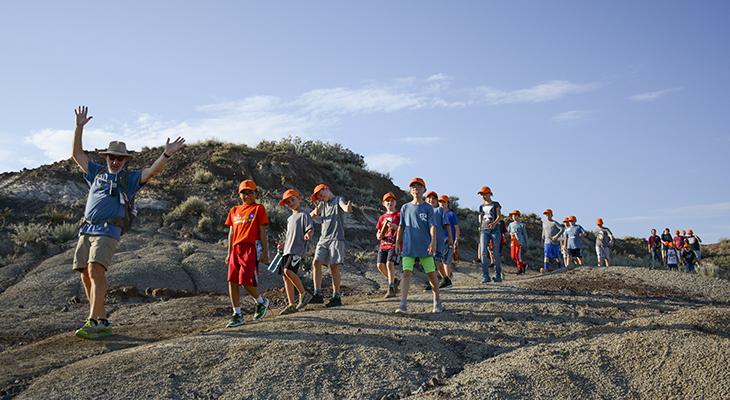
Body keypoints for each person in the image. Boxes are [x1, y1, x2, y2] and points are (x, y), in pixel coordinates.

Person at [70, 106, 185, 339]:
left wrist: (167, 154)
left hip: (107, 230)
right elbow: (77, 154)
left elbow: (152, 171)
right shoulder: (97, 173)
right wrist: (79, 127)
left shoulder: (129, 178)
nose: (115, 161)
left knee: (95, 269)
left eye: (120, 158)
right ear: (107, 158)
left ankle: (93, 321)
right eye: (112, 157)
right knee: (84, 272)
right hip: (87, 228)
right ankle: (100, 318)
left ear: (124, 160)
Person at [224, 180, 271, 327]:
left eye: (250, 192)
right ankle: (237, 314)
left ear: (255, 193)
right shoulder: (234, 210)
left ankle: (261, 302)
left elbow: (263, 232)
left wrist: (264, 251)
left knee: (244, 280)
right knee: (232, 280)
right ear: (239, 194)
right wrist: (229, 252)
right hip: (236, 249)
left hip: (250, 248)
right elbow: (231, 233)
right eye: (243, 193)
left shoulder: (258, 208)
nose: (247, 195)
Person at [395, 177, 443, 313]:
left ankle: (437, 301)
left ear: (424, 190)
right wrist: (398, 242)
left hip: (425, 246)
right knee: (406, 273)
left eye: (419, 186)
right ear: (410, 190)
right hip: (408, 247)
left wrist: (433, 242)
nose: (416, 188)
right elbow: (401, 226)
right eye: (413, 186)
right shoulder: (405, 207)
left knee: (431, 274)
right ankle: (403, 304)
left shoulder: (428, 208)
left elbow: (432, 227)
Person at [310, 183, 353, 307]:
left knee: (333, 267)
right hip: (323, 239)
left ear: (326, 189)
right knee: (316, 262)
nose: (320, 197)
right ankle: (317, 294)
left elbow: (345, 208)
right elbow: (311, 216)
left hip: (336, 239)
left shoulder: (338, 199)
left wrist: (348, 208)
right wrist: (313, 213)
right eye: (318, 197)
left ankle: (336, 296)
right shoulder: (321, 204)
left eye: (320, 194)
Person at [276, 189, 315, 315]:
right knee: (285, 276)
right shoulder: (289, 219)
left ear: (299, 199)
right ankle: (291, 304)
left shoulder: (304, 215)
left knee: (288, 271)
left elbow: (310, 228)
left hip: (297, 250)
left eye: (293, 200)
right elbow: (289, 236)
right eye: (288, 202)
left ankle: (303, 294)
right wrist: (284, 244)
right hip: (287, 250)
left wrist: (309, 234)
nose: (291, 203)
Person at [425, 191, 453, 290]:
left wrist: (450, 238)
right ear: (425, 200)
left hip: (439, 240)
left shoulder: (440, 210)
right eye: (429, 198)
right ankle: (439, 280)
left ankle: (444, 279)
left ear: (437, 201)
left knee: (436, 260)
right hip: (427, 241)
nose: (431, 200)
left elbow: (447, 225)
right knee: (429, 261)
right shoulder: (424, 212)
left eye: (433, 198)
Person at [375, 192, 401, 298]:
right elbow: (378, 231)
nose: (390, 202)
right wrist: (378, 235)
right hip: (383, 244)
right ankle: (394, 280)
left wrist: (396, 227)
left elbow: (404, 229)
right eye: (387, 201)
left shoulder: (399, 215)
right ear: (383, 203)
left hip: (394, 244)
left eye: (392, 200)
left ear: (395, 202)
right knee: (380, 265)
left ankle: (390, 288)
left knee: (389, 263)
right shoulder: (382, 217)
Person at [478, 186, 503, 282]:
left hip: (495, 230)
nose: (483, 196)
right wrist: (480, 228)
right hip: (484, 230)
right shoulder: (481, 207)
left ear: (489, 194)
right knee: (483, 252)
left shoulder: (496, 204)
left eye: (484, 194)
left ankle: (498, 275)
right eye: (481, 194)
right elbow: (481, 218)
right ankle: (485, 276)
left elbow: (499, 216)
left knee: (495, 252)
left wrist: (494, 223)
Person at [541, 209, 564, 273]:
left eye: (548, 214)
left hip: (554, 243)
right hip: (546, 243)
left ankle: (560, 268)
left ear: (551, 215)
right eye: (546, 214)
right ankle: (546, 269)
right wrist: (542, 239)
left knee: (557, 256)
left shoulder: (554, 223)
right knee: (546, 256)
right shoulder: (544, 223)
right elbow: (543, 232)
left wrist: (556, 236)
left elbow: (562, 229)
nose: (547, 215)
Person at [507, 210, 528, 274]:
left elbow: (525, 234)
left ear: (518, 216)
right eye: (513, 215)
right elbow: (508, 232)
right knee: (513, 256)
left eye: (515, 215)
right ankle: (523, 265)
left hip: (519, 242)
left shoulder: (521, 225)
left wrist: (526, 243)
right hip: (512, 242)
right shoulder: (510, 224)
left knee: (517, 256)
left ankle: (519, 269)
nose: (514, 217)